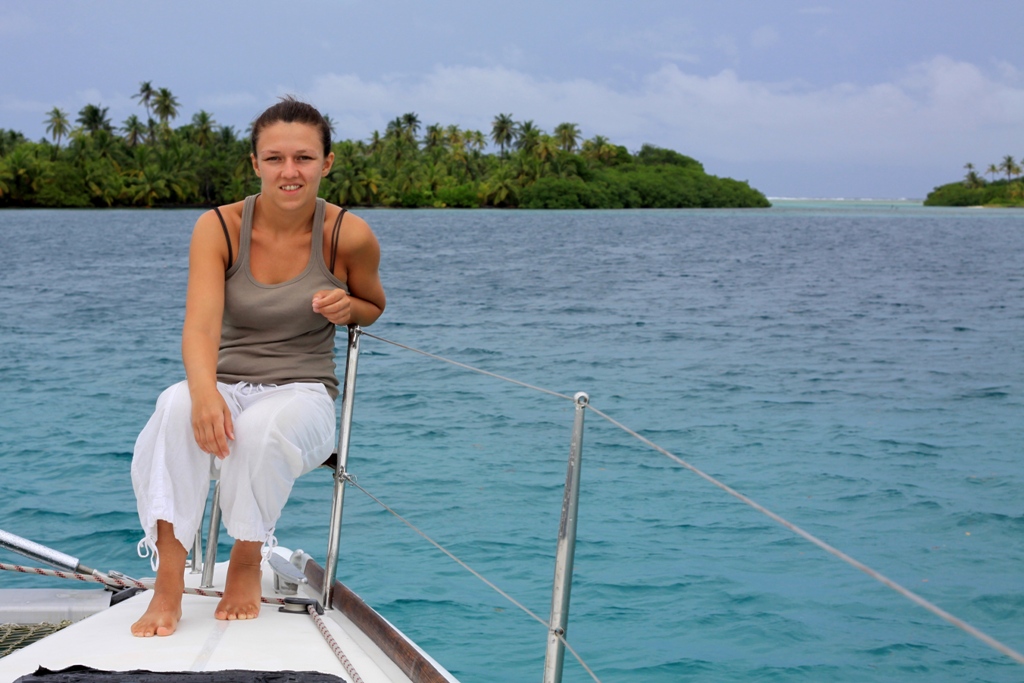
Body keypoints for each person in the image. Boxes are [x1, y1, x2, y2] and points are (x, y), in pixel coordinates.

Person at [130, 97, 385, 637]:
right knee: (173, 405)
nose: (290, 171)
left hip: (303, 393)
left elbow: (373, 304)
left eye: (304, 158)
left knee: (262, 428)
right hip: (225, 381)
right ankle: (168, 580)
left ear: (327, 163)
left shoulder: (349, 235)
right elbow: (200, 327)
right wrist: (204, 394)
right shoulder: (219, 228)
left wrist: (349, 307)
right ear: (255, 164)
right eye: (274, 158)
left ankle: (246, 559)